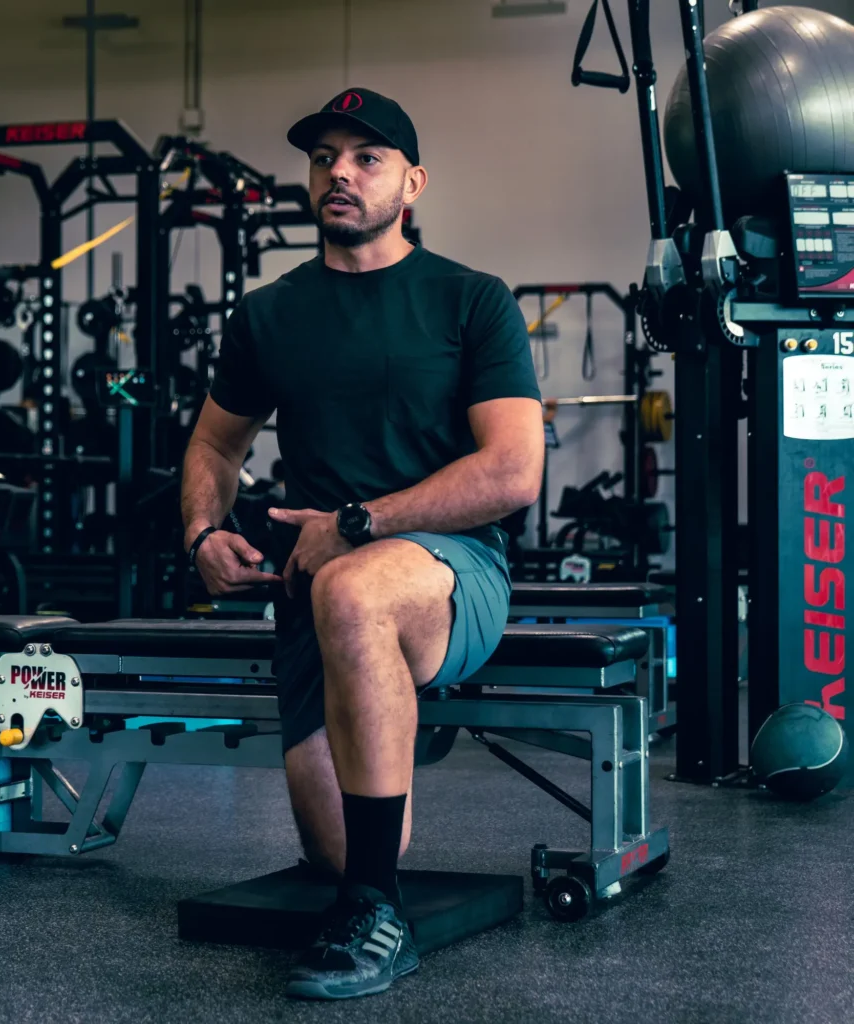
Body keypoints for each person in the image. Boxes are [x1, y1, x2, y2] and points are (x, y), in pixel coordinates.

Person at [180, 87, 544, 1000]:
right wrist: (202, 531)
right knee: (333, 846)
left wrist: (357, 523)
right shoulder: (270, 314)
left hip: (451, 571)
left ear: (411, 183)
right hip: (313, 581)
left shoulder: (472, 301)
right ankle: (369, 828)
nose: (339, 172)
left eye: (367, 157)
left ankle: (376, 915)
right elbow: (217, 442)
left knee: (355, 590)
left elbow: (510, 474)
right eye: (324, 157)